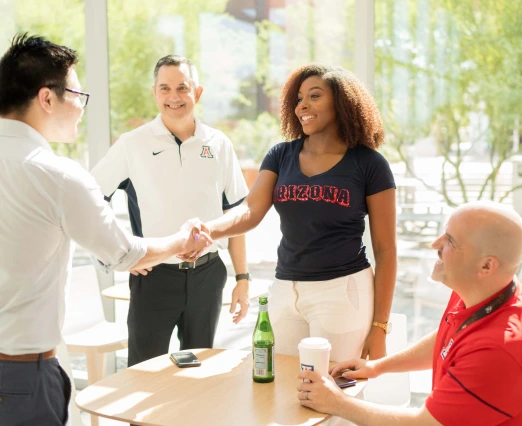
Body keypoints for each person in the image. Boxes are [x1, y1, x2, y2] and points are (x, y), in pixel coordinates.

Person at [0, 34, 210, 426]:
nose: (81, 106)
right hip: (21, 375)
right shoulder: (55, 174)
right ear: (47, 98)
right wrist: (184, 240)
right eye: (79, 94)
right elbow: (125, 254)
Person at [184, 63, 397, 361]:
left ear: (342, 101)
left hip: (341, 291)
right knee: (283, 392)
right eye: (298, 99)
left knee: (335, 394)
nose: (303, 106)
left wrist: (380, 326)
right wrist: (208, 230)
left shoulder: (369, 164)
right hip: (285, 289)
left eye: (314, 96)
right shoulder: (281, 155)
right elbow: (250, 211)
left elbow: (386, 250)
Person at [297, 201, 522, 426]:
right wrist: (376, 367)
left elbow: (424, 423)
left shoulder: (500, 349)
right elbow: (450, 335)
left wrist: (336, 402)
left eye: (450, 242)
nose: (435, 244)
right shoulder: (488, 289)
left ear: (487, 265)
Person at [90, 55, 250, 367]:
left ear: (198, 93)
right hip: (154, 276)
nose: (173, 97)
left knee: (198, 372)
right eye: (165, 88)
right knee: (144, 374)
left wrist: (242, 277)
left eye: (182, 87)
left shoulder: (219, 144)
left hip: (208, 275)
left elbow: (236, 215)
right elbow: (92, 198)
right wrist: (120, 254)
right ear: (154, 93)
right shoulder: (132, 144)